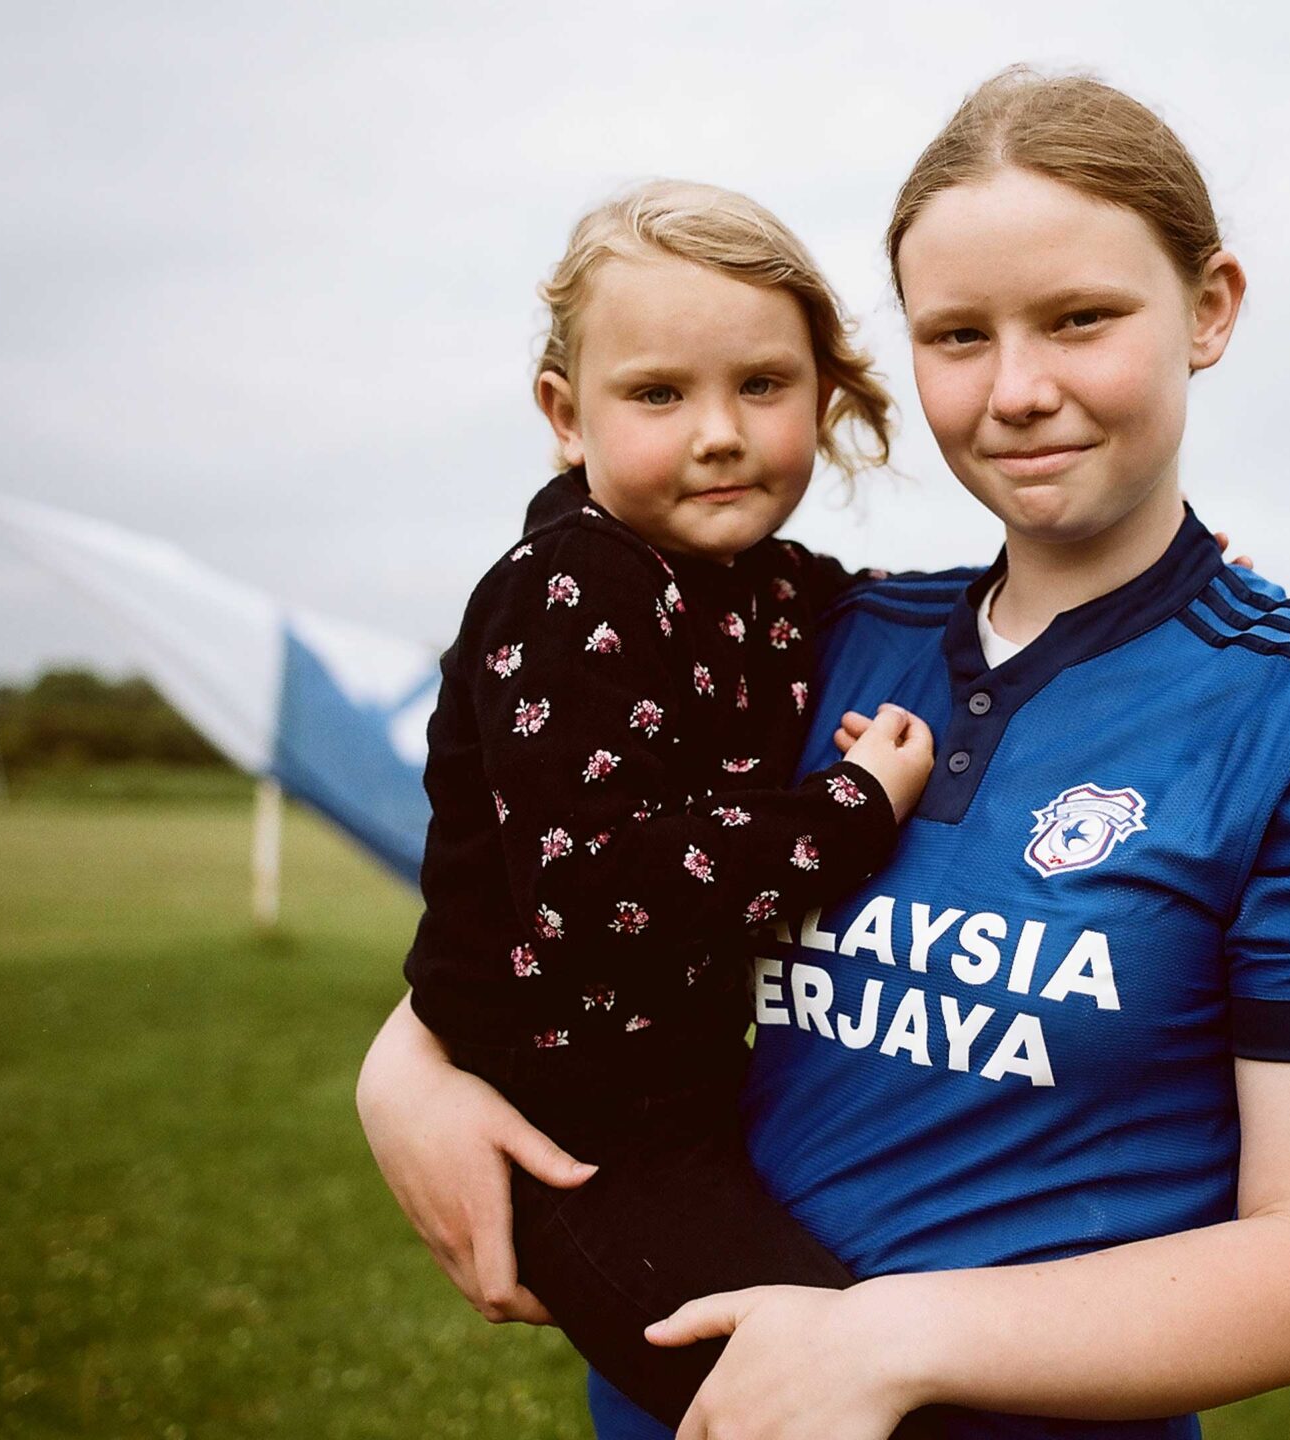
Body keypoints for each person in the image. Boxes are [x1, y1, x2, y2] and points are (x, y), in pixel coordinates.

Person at [357, 67, 1290, 1440]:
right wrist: (404, 1072)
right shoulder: (823, 634)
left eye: (1081, 318)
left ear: (1210, 309)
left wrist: (885, 1343)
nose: (1018, 390)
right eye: (960, 336)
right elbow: (576, 884)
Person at [397, 176, 948, 1429]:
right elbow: (601, 886)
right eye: (657, 393)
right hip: (574, 1138)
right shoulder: (568, 595)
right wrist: (853, 807)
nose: (719, 431)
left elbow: (946, 611)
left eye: (762, 385)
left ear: (824, 392)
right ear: (564, 412)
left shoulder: (754, 581)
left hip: (692, 1105)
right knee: (813, 1403)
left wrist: (1168, 598)